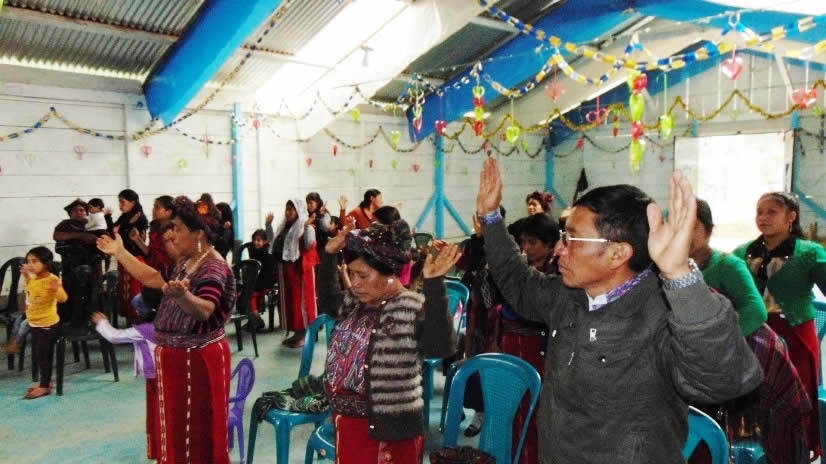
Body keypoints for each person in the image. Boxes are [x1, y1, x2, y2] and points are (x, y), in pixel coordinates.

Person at [476, 158, 762, 463]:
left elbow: (726, 380)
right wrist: (491, 218)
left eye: (571, 238)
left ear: (617, 253)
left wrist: (681, 277)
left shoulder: (663, 314)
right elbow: (518, 281)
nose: (559, 249)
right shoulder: (570, 295)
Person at [97, 195, 236, 464]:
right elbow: (153, 278)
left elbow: (205, 309)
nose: (170, 235)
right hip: (180, 360)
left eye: (177, 229)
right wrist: (120, 253)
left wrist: (183, 297)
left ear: (198, 233)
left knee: (195, 433)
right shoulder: (188, 261)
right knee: (178, 431)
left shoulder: (212, 266)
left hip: (196, 361)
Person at [318, 217, 459, 464]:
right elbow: (329, 302)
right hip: (349, 425)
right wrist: (329, 255)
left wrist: (435, 285)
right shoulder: (355, 301)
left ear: (390, 274)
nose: (355, 283)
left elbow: (441, 346)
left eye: (363, 275)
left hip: (388, 434)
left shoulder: (410, 306)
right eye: (351, 273)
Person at [691, 199, 811, 464]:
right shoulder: (664, 267)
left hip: (749, 349)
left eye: (692, 226)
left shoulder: (727, 265)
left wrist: (717, 344)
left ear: (708, 229)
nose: (684, 234)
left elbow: (755, 311)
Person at [733, 191, 826, 458]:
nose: (763, 218)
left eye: (771, 212)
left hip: (795, 334)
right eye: (759, 212)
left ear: (791, 217)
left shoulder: (809, 253)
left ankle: (797, 449)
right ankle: (757, 450)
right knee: (754, 392)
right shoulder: (743, 253)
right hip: (754, 332)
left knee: (795, 394)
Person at [495, 212, 559, 462]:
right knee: (514, 412)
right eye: (523, 242)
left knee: (537, 414)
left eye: (533, 242)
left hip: (541, 354)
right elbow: (493, 301)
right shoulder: (522, 273)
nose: (526, 248)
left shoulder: (559, 278)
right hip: (513, 349)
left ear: (550, 244)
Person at [91, 310, 159, 459]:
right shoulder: (170, 325)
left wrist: (102, 322)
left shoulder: (144, 330)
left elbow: (114, 336)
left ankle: (158, 450)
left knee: (156, 414)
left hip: (154, 377)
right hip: (170, 372)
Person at [266, 199, 319, 348]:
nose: (288, 212)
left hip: (299, 272)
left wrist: (307, 227)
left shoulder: (306, 227)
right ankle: (296, 333)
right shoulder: (284, 227)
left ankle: (304, 335)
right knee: (289, 303)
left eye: (291, 209)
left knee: (299, 303)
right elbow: (273, 243)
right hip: (286, 271)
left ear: (298, 211)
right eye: (287, 209)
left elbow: (309, 245)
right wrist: (268, 225)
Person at [19, 247, 67, 399]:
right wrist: (26, 276)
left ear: (45, 263)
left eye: (34, 261)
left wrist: (56, 290)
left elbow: (63, 298)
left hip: (46, 325)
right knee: (42, 355)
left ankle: (44, 386)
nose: (30, 265)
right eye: (28, 262)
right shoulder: (34, 278)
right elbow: (32, 289)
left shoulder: (52, 279)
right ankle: (45, 382)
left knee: (43, 357)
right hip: (35, 324)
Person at [53, 198, 102, 322]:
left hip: (92, 266)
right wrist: (80, 236)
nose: (79, 212)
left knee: (92, 294)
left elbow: (104, 238)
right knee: (71, 292)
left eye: (82, 210)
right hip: (70, 266)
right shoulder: (65, 225)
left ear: (87, 213)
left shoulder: (95, 223)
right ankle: (73, 320)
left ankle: (90, 320)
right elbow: (57, 236)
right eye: (75, 210)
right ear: (70, 214)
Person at [130, 196, 175, 318]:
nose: (153, 210)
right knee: (137, 302)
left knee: (140, 302)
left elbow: (176, 257)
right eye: (153, 207)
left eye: (157, 207)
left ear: (168, 212)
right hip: (154, 274)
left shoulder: (175, 231)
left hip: (168, 277)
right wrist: (138, 240)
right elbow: (150, 253)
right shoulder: (155, 228)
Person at [111, 189, 150, 321]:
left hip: (134, 258)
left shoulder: (139, 218)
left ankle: (137, 321)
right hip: (124, 258)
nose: (120, 205)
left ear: (133, 202)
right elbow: (112, 231)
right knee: (125, 291)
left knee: (133, 290)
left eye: (122, 202)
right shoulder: (125, 217)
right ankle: (130, 321)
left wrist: (127, 226)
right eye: (119, 202)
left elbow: (133, 240)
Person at [246, 228, 275, 332]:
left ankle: (257, 319)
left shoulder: (267, 254)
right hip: (257, 282)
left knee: (249, 295)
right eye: (254, 240)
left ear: (265, 241)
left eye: (258, 240)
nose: (255, 242)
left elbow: (268, 274)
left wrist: (254, 285)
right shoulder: (254, 252)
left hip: (265, 283)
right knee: (244, 294)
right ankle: (255, 318)